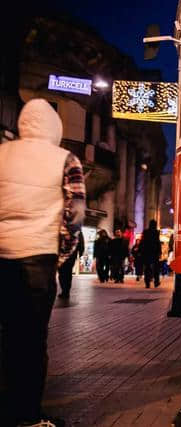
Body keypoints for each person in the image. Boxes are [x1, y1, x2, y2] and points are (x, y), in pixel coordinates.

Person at [0, 99, 86, 426]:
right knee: (32, 340)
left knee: (7, 336)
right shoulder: (65, 159)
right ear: (55, 127)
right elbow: (75, 212)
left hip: (2, 257)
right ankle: (27, 416)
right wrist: (61, 254)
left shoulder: (3, 153)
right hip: (37, 258)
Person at [57, 230, 85, 298]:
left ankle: (65, 291)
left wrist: (80, 252)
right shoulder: (77, 230)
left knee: (63, 272)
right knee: (66, 272)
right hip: (70, 254)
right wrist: (80, 252)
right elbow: (81, 243)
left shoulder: (76, 230)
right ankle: (65, 291)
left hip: (66, 254)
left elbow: (81, 242)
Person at [141, 220, 161, 288]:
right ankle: (156, 281)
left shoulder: (145, 232)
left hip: (146, 252)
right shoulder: (156, 232)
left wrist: (141, 251)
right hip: (154, 252)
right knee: (156, 267)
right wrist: (159, 251)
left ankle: (147, 282)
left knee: (147, 267)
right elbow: (158, 242)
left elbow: (143, 242)